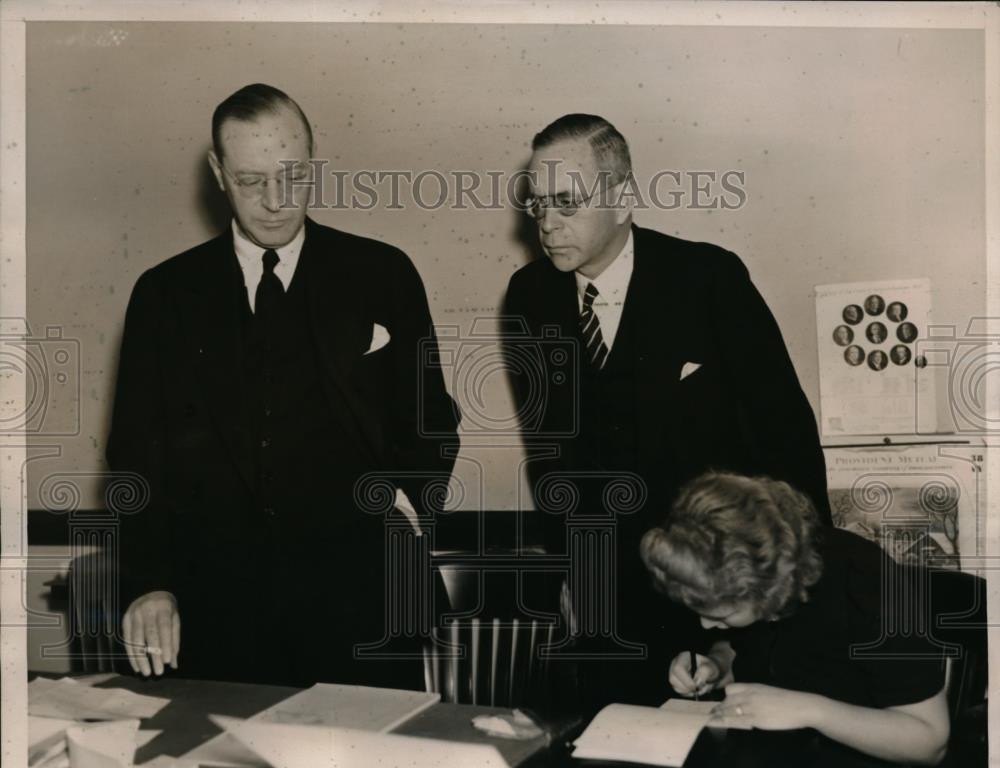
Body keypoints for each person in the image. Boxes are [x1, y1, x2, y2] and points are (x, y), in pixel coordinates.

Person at [107, 84, 460, 688]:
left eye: (292, 177)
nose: (275, 201)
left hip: (365, 607)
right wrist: (149, 583)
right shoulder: (164, 295)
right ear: (218, 173)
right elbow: (137, 456)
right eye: (250, 181)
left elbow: (432, 420)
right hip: (216, 613)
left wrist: (407, 511)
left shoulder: (383, 273)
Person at [502, 114, 830, 705]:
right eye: (538, 204)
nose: (548, 225)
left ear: (623, 197)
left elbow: (788, 437)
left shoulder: (710, 279)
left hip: (725, 591)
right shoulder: (528, 298)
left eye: (567, 203)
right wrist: (573, 570)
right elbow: (549, 455)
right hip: (612, 599)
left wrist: (794, 591)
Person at [640, 472, 949, 768]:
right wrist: (718, 666)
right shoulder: (750, 577)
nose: (705, 626)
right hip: (771, 761)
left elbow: (930, 741)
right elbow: (747, 648)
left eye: (721, 616)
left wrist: (811, 711)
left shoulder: (867, 582)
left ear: (768, 591)